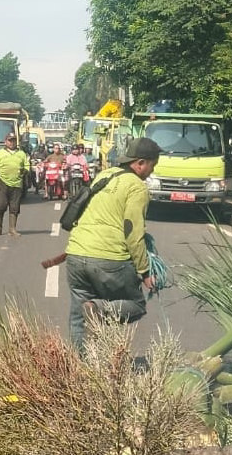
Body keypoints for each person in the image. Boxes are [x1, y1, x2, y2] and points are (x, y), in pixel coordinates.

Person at [65, 137, 162, 352]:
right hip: (108, 259)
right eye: (152, 166)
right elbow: (133, 234)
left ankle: (80, 367)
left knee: (78, 314)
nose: (151, 172)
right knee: (135, 305)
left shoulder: (105, 175)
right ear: (140, 163)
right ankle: (100, 310)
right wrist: (145, 272)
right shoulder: (137, 188)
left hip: (75, 253)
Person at [0, 131, 29, 236]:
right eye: (10, 140)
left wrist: (24, 171)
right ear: (5, 141)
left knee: (15, 207)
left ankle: (12, 229)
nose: (12, 143)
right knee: (0, 206)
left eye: (14, 140)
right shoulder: (0, 153)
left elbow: (27, 165)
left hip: (17, 184)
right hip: (3, 182)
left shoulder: (21, 153)